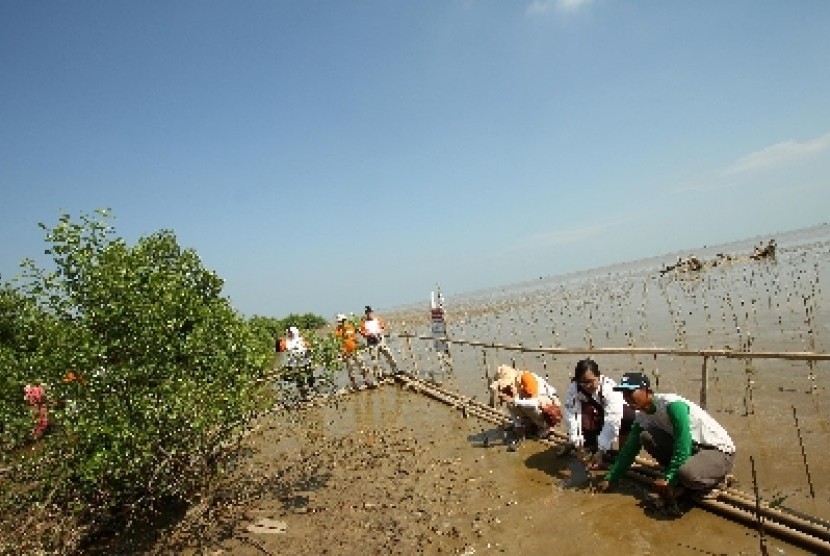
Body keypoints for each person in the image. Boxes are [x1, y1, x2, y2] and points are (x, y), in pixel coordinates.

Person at [598, 371, 736, 506]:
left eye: (630, 392)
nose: (627, 398)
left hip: (719, 452)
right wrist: (610, 477)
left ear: (646, 390)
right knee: (646, 437)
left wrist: (669, 477)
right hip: (693, 450)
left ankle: (716, 481)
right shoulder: (642, 416)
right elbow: (629, 450)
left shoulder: (672, 405)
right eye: (624, 394)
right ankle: (682, 477)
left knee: (687, 474)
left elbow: (683, 444)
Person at [563, 359, 635, 469]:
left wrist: (601, 450)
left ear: (599, 377)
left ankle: (623, 453)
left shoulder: (609, 388)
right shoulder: (574, 388)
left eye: (590, 381)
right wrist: (578, 445)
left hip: (614, 415)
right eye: (583, 382)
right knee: (586, 444)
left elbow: (613, 419)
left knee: (628, 416)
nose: (587, 386)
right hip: (594, 416)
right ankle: (592, 445)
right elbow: (572, 416)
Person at [493, 364, 562, 439]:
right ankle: (529, 424)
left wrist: (514, 400)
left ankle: (545, 426)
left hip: (546, 403)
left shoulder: (527, 378)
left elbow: (534, 402)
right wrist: (518, 425)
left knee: (525, 405)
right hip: (531, 405)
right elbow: (510, 406)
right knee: (511, 404)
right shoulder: (508, 387)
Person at [334, 313, 373, 389]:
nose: (342, 322)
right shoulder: (338, 331)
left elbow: (358, 335)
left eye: (343, 321)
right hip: (346, 353)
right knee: (351, 370)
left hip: (355, 350)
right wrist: (340, 354)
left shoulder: (351, 327)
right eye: (340, 321)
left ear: (345, 320)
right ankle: (354, 385)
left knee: (362, 366)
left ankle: (367, 381)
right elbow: (337, 343)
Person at [276, 326, 314, 399]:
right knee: (300, 382)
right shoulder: (286, 342)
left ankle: (311, 391)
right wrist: (278, 342)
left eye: (291, 333)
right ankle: (304, 396)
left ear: (295, 333)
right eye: (289, 333)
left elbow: (310, 349)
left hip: (306, 363)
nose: (290, 334)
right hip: (294, 366)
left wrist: (308, 353)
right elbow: (278, 350)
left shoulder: (302, 340)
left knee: (310, 379)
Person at [359, 306, 398, 379]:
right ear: (365, 314)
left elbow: (383, 327)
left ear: (372, 312)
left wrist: (380, 332)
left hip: (381, 341)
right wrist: (370, 334)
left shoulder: (377, 320)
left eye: (370, 312)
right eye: (367, 313)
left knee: (389, 355)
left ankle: (395, 370)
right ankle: (379, 376)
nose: (369, 314)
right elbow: (362, 333)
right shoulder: (363, 323)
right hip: (372, 343)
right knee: (375, 361)